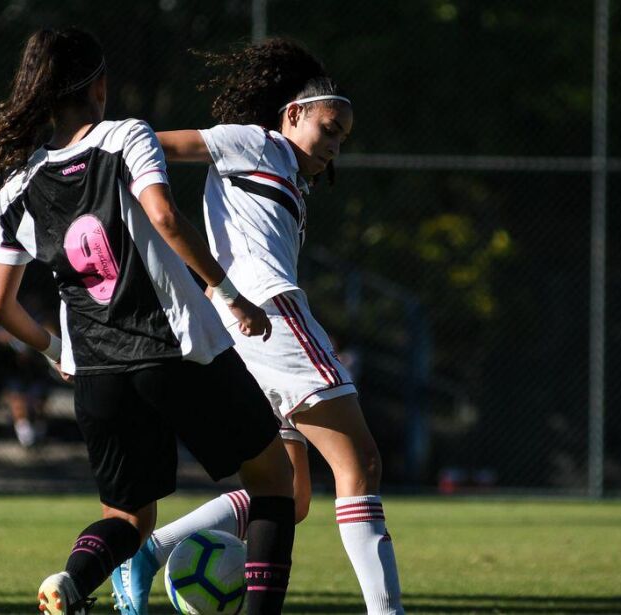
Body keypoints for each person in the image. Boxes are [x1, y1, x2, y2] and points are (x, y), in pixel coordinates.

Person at [0, 27, 296, 615]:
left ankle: (72, 581)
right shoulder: (125, 136)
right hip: (179, 349)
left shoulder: (17, 187)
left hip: (97, 371)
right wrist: (228, 292)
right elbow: (163, 215)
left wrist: (55, 349)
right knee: (273, 482)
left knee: (129, 520)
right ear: (100, 86)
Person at [111, 39, 404, 615]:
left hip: (247, 329)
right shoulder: (258, 141)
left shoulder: (289, 173)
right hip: (268, 314)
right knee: (361, 461)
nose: (337, 143)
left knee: (288, 494)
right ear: (292, 115)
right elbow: (148, 146)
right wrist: (96, 154)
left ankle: (149, 552)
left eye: (345, 134)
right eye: (330, 127)